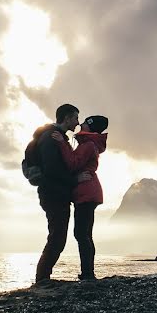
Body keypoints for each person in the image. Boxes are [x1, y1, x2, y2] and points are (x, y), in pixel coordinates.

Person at [31, 103, 89, 283]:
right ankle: (42, 279)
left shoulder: (57, 137)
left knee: (57, 236)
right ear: (67, 118)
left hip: (56, 193)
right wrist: (75, 180)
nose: (78, 123)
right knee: (57, 237)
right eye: (76, 118)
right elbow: (53, 170)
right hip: (53, 194)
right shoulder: (51, 138)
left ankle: (43, 278)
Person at [51, 115, 108, 281]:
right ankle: (88, 272)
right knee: (85, 234)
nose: (80, 124)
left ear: (90, 126)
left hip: (87, 192)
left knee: (82, 234)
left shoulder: (89, 145)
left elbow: (73, 163)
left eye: (84, 122)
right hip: (89, 192)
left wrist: (62, 143)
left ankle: (88, 274)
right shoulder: (88, 144)